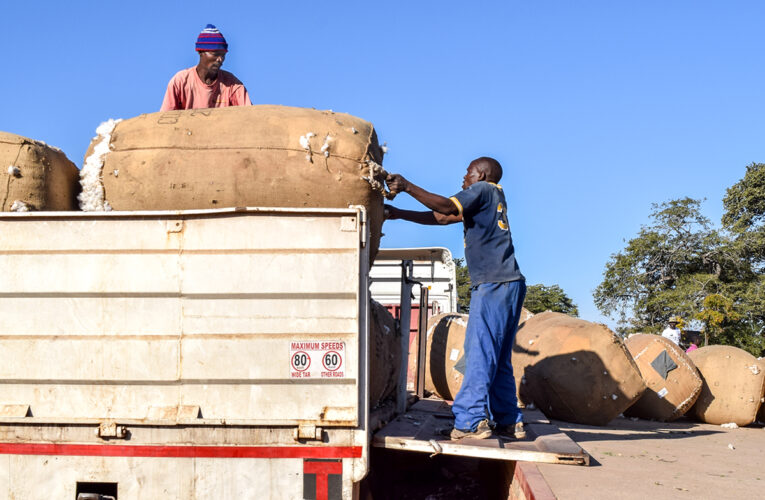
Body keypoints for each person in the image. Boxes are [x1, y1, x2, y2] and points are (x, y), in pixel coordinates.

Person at [385, 157, 526, 441]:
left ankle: (470, 421)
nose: (464, 179)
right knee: (498, 359)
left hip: (493, 284)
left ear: (482, 175)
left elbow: (447, 206)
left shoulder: (484, 189)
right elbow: (444, 216)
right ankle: (508, 419)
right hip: (510, 284)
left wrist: (406, 185)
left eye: (468, 173)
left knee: (479, 353)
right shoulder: (493, 196)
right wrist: (399, 213)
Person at [160, 24, 251, 111]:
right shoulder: (180, 82)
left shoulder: (232, 84)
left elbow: (249, 115)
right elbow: (165, 119)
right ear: (200, 52)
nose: (220, 59)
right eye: (215, 54)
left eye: (223, 55)